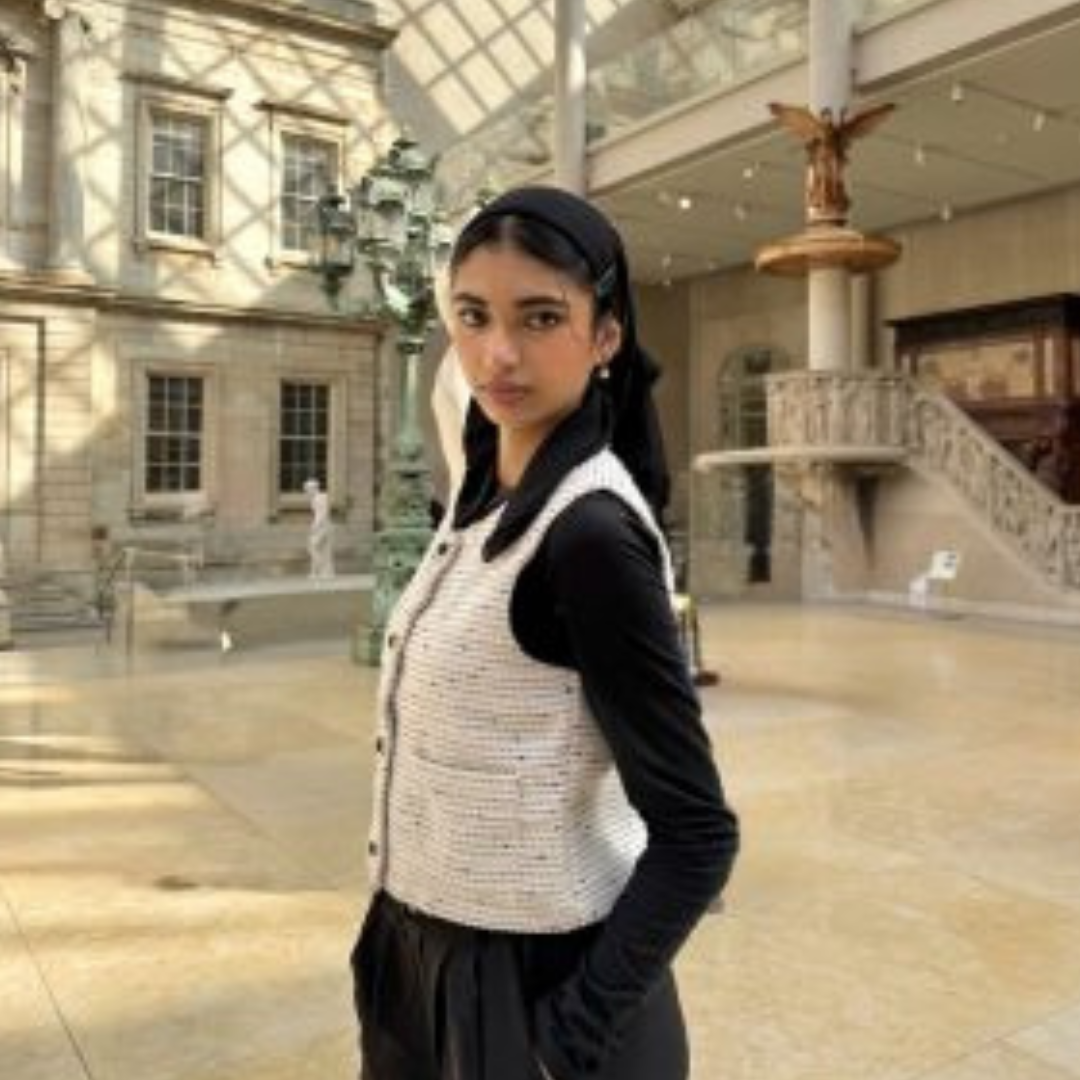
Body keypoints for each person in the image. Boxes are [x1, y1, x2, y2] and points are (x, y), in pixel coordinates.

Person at [351, 185, 740, 1080]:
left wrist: (564, 1034)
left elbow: (696, 833)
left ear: (605, 337)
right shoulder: (482, 495)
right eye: (473, 316)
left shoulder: (589, 534)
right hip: (419, 957)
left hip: (529, 989)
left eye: (540, 318)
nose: (498, 353)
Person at [303, 477, 334, 578]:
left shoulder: (318, 498)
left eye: (307, 490)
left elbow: (321, 514)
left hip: (322, 526)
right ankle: (323, 572)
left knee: (312, 547)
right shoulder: (321, 497)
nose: (307, 492)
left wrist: (315, 526)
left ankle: (320, 569)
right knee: (324, 550)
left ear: (313, 488)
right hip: (326, 526)